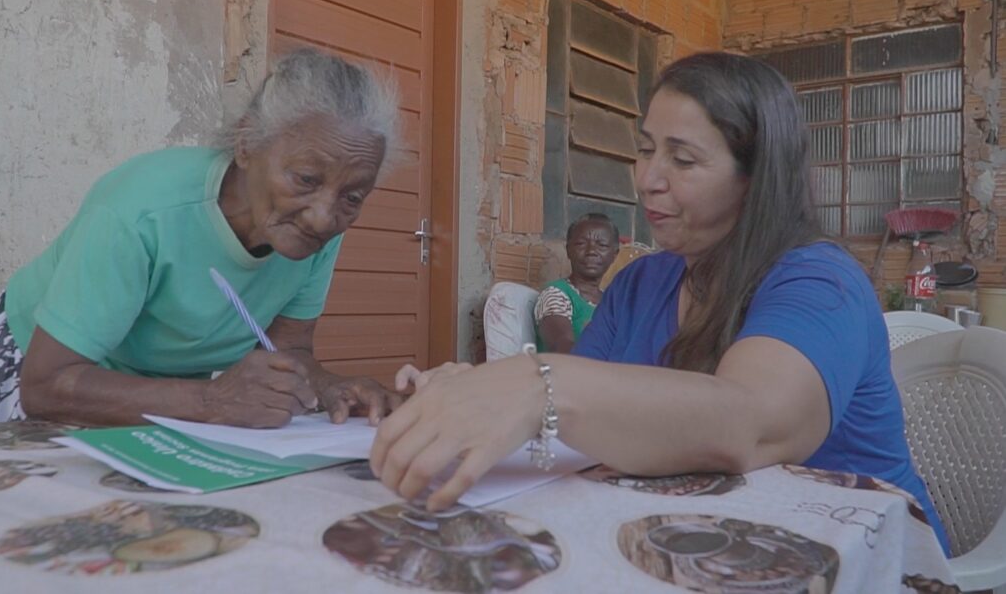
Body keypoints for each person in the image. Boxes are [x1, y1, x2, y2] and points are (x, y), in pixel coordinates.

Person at [371, 52, 950, 555]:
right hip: (700, 538)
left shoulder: (823, 283)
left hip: (853, 558)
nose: (647, 179)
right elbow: (584, 407)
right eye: (646, 150)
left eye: (683, 159)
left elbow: (749, 422)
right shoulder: (642, 282)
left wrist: (535, 384)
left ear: (755, 178)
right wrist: (467, 395)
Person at [0, 48, 402, 429]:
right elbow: (46, 386)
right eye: (306, 178)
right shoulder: (142, 210)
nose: (325, 217)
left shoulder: (312, 229)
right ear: (247, 144)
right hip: (46, 367)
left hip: (167, 383)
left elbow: (288, 349)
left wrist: (329, 387)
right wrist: (212, 401)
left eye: (353, 195)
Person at [534, 214, 619, 353]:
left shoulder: (612, 302)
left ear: (614, 255)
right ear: (568, 250)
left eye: (602, 245)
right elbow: (561, 347)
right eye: (581, 244)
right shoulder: (556, 294)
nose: (591, 251)